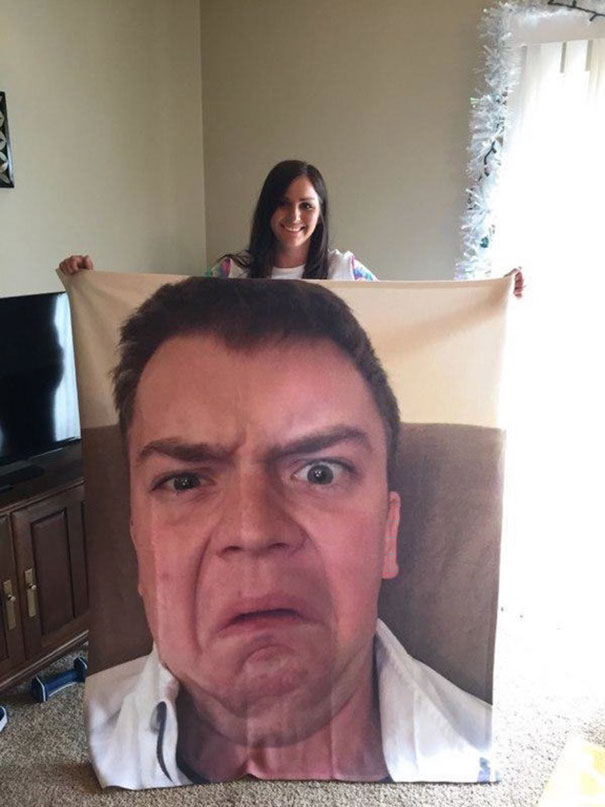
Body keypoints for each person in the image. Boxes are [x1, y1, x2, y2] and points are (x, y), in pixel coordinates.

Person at [85, 277, 493, 790]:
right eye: (185, 481)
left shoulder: (478, 745)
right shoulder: (91, 736)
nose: (253, 531)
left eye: (321, 472)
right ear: (138, 546)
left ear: (388, 533)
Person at [56, 158, 524, 293]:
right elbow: (166, 309)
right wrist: (90, 285)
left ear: (320, 213)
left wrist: (491, 293)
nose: (294, 217)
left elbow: (408, 310)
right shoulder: (231, 273)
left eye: (306, 206)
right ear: (267, 209)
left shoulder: (344, 272)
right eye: (283, 204)